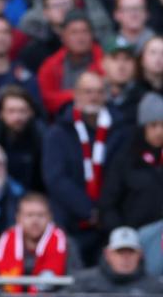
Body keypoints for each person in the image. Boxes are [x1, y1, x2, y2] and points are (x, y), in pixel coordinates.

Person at [43, 72, 127, 265]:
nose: (94, 97)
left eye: (99, 92)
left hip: (110, 221)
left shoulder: (121, 130)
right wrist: (89, 210)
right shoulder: (58, 132)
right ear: (76, 95)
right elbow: (55, 178)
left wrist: (104, 211)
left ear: (106, 96)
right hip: (69, 221)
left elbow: (121, 174)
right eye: (88, 91)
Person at [99, 93, 163, 232]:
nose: (159, 131)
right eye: (153, 125)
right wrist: (122, 233)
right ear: (143, 127)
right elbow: (108, 204)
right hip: (135, 239)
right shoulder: (126, 159)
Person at [0, 193, 74, 293]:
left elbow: (75, 283)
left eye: (40, 215)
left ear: (50, 217)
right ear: (18, 218)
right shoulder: (4, 242)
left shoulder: (64, 243)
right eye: (29, 215)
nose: (35, 221)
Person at [0, 86, 46, 192]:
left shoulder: (42, 136)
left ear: (31, 112)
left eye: (22, 111)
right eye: (11, 111)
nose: (17, 117)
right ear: (1, 113)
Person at [68, 226, 163, 295]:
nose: (126, 258)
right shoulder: (84, 283)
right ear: (107, 254)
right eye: (120, 252)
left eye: (131, 251)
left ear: (140, 254)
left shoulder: (155, 288)